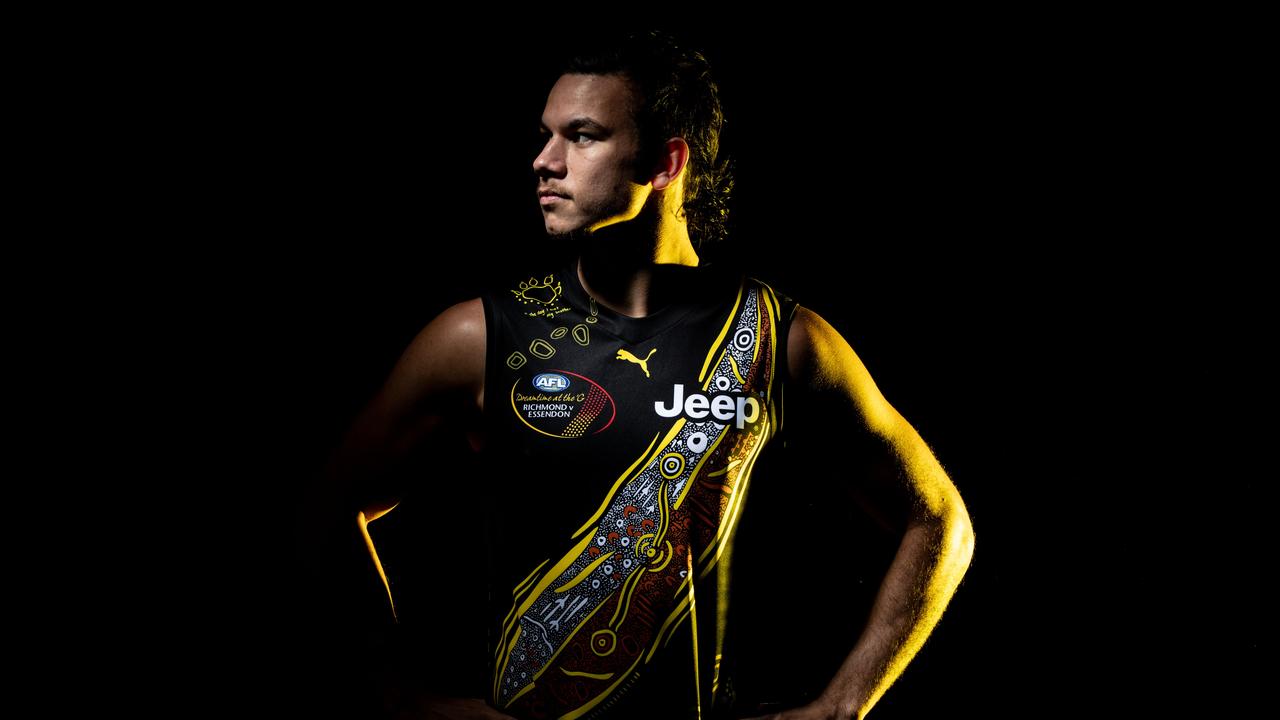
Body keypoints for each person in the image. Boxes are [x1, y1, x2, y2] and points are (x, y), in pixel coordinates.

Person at [302, 30, 975, 720]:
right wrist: (397, 696)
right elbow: (321, 508)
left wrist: (842, 705)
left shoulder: (784, 341)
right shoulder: (478, 338)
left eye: (583, 137)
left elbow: (938, 518)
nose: (544, 161)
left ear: (665, 161)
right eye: (545, 135)